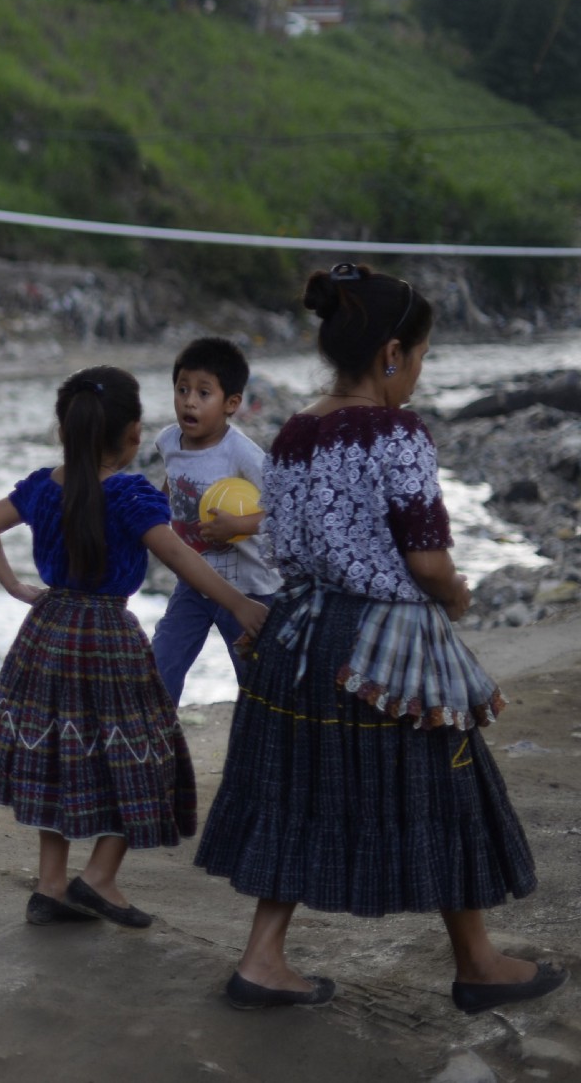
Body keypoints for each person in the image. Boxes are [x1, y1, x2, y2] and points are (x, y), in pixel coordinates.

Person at [195, 263, 568, 1012]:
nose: (419, 375)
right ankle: (478, 963)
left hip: (297, 639)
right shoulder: (397, 433)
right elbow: (427, 560)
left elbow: (283, 536)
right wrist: (458, 594)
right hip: (382, 652)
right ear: (391, 353)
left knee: (299, 791)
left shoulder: (297, 430)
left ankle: (263, 958)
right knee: (450, 789)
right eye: (421, 358)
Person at [0, 366, 267, 930]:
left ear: (67, 431)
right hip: (107, 638)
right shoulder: (129, 494)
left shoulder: (41, 486)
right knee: (143, 758)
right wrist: (240, 604)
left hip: (47, 631)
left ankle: (50, 887)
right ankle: (100, 877)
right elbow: (182, 559)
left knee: (56, 753)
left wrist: (17, 587)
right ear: (133, 434)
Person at [150, 338, 280, 705]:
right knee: (161, 666)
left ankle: (265, 754)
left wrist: (240, 525)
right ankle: (153, 742)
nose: (189, 401)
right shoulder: (168, 442)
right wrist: (155, 514)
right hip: (193, 583)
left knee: (259, 684)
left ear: (232, 404)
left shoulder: (241, 452)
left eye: (203, 393)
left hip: (249, 590)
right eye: (182, 390)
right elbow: (172, 483)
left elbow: (283, 508)